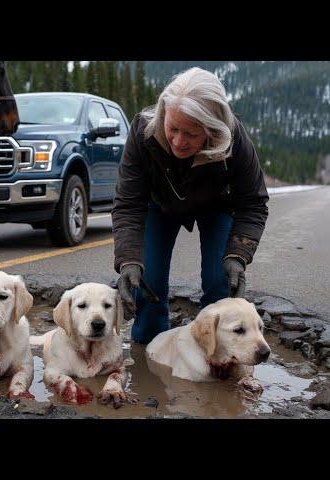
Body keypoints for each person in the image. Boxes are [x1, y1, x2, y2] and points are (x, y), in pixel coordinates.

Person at [112, 67, 269, 344]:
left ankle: (219, 355)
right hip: (159, 205)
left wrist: (238, 255)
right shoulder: (142, 132)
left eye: (191, 134)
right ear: (163, 115)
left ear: (212, 130)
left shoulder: (234, 141)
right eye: (173, 128)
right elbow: (128, 204)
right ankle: (151, 353)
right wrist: (128, 260)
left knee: (221, 280)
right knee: (146, 283)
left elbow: (253, 204)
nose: (178, 141)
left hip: (217, 205)